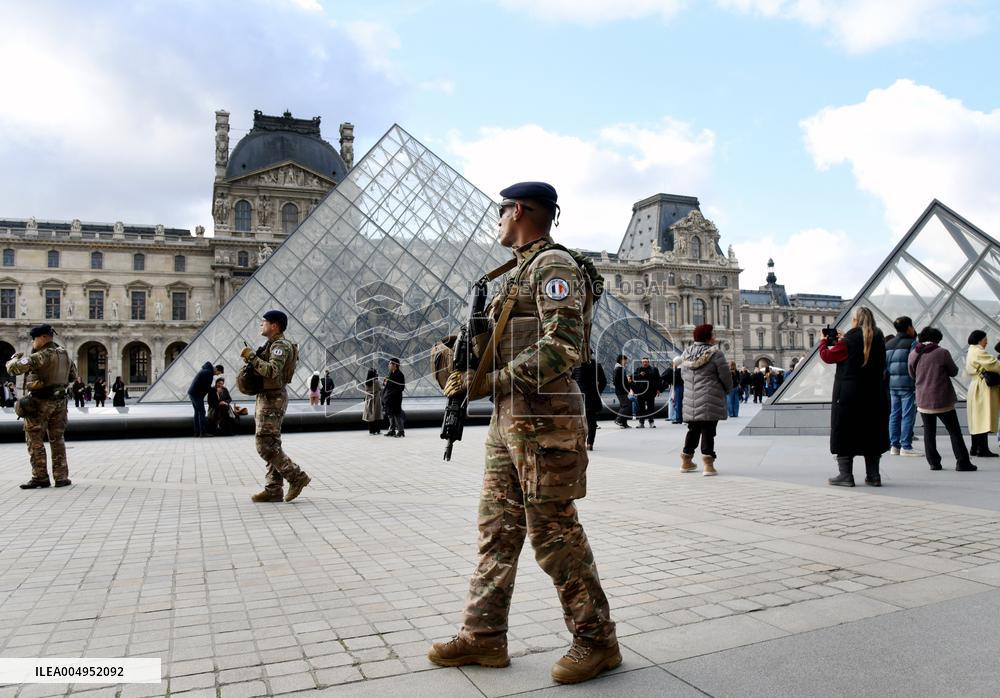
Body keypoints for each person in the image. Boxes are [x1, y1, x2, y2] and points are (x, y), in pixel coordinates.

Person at [432, 181, 619, 684]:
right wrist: (456, 359)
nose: (497, 223)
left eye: (500, 214)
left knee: (554, 533)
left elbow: (565, 346)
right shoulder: (516, 273)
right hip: (509, 419)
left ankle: (597, 640)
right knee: (497, 530)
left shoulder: (553, 267)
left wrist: (491, 379)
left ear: (517, 211)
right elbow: (497, 342)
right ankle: (484, 636)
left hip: (544, 421)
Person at [239, 310, 311, 502]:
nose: (261, 324)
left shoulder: (280, 345)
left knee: (264, 444)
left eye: (264, 321)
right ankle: (273, 489)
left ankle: (296, 476)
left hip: (273, 399)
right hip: (268, 397)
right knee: (272, 443)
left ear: (274, 325)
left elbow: (272, 371)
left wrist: (252, 358)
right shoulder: (272, 344)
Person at [819, 307, 890, 487]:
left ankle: (846, 476)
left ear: (856, 321)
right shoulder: (879, 337)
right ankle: (874, 475)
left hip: (849, 394)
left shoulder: (850, 340)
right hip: (874, 393)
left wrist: (822, 342)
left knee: (845, 431)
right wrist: (845, 340)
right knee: (871, 431)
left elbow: (827, 356)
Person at [4, 324, 77, 489]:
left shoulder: (41, 355)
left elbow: (14, 368)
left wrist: (14, 358)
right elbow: (73, 375)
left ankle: (40, 477)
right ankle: (61, 477)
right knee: (57, 439)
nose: (33, 342)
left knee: (34, 439)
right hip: (60, 403)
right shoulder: (64, 354)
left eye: (34, 339)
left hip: (41, 403)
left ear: (43, 337)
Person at [909, 327, 974, 471]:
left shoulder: (913, 354)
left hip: (923, 399)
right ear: (936, 339)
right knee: (954, 431)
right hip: (942, 399)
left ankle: (934, 463)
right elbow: (954, 371)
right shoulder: (942, 352)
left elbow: (912, 375)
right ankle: (962, 462)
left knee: (929, 432)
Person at [678, 324, 732, 476]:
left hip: (691, 399)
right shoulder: (716, 354)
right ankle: (708, 465)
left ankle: (686, 461)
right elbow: (725, 376)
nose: (714, 337)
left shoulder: (686, 354)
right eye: (712, 335)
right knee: (708, 430)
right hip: (710, 397)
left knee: (693, 429)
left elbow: (683, 376)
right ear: (708, 337)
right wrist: (727, 389)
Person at [885, 316, 921, 457]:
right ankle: (906, 445)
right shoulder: (912, 343)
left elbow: (886, 367)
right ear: (909, 327)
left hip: (892, 385)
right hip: (908, 385)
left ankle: (894, 446)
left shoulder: (888, 344)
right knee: (907, 415)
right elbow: (914, 364)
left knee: (894, 414)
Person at [966, 330, 1000, 458]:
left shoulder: (971, 350)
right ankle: (983, 449)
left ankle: (975, 447)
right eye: (985, 339)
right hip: (983, 388)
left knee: (976, 418)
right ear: (979, 340)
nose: (987, 342)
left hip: (975, 385)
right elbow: (994, 365)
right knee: (984, 417)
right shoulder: (979, 352)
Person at [572, 351, 607, 451]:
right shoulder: (597, 366)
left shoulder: (576, 366)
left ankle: (580, 442)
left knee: (579, 422)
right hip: (592, 397)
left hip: (578, 397)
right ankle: (590, 443)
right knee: (591, 421)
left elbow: (571, 381)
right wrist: (598, 391)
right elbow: (603, 381)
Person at [187, 361, 224, 438]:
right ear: (216, 369)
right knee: (202, 412)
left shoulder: (206, 371)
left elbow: (205, 386)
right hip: (196, 394)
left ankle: (197, 432)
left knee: (197, 413)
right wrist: (215, 390)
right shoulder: (208, 373)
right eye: (218, 372)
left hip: (193, 393)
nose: (218, 375)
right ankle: (202, 432)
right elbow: (206, 386)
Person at [632, 357, 660, 428]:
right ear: (641, 362)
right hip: (640, 392)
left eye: (646, 362)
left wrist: (658, 389)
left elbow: (658, 380)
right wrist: (640, 375)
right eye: (643, 362)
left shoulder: (654, 369)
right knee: (641, 408)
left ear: (648, 362)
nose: (644, 363)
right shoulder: (638, 369)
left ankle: (651, 422)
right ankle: (641, 422)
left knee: (651, 407)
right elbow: (633, 377)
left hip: (651, 391)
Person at [382, 358, 406, 437]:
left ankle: (401, 431)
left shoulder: (400, 374)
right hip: (388, 398)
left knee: (397, 414)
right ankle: (392, 430)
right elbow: (387, 385)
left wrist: (391, 393)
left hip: (395, 398)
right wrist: (385, 383)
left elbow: (401, 388)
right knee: (390, 414)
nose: (388, 365)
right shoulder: (390, 373)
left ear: (395, 365)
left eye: (390, 364)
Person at [359, 368, 382, 434]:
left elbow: (366, 390)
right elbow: (380, 388)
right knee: (377, 415)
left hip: (369, 399)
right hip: (376, 400)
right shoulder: (376, 381)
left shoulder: (366, 382)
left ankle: (371, 431)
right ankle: (377, 430)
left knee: (370, 415)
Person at [612, 354, 631, 428]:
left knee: (625, 405)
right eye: (625, 360)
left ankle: (624, 423)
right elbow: (616, 381)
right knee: (625, 406)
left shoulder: (620, 368)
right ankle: (618, 420)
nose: (626, 362)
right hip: (621, 391)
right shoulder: (618, 369)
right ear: (621, 360)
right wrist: (627, 382)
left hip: (622, 390)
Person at [670, 356, 684, 423]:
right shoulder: (684, 370)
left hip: (679, 387)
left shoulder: (677, 371)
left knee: (678, 403)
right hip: (683, 387)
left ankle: (679, 418)